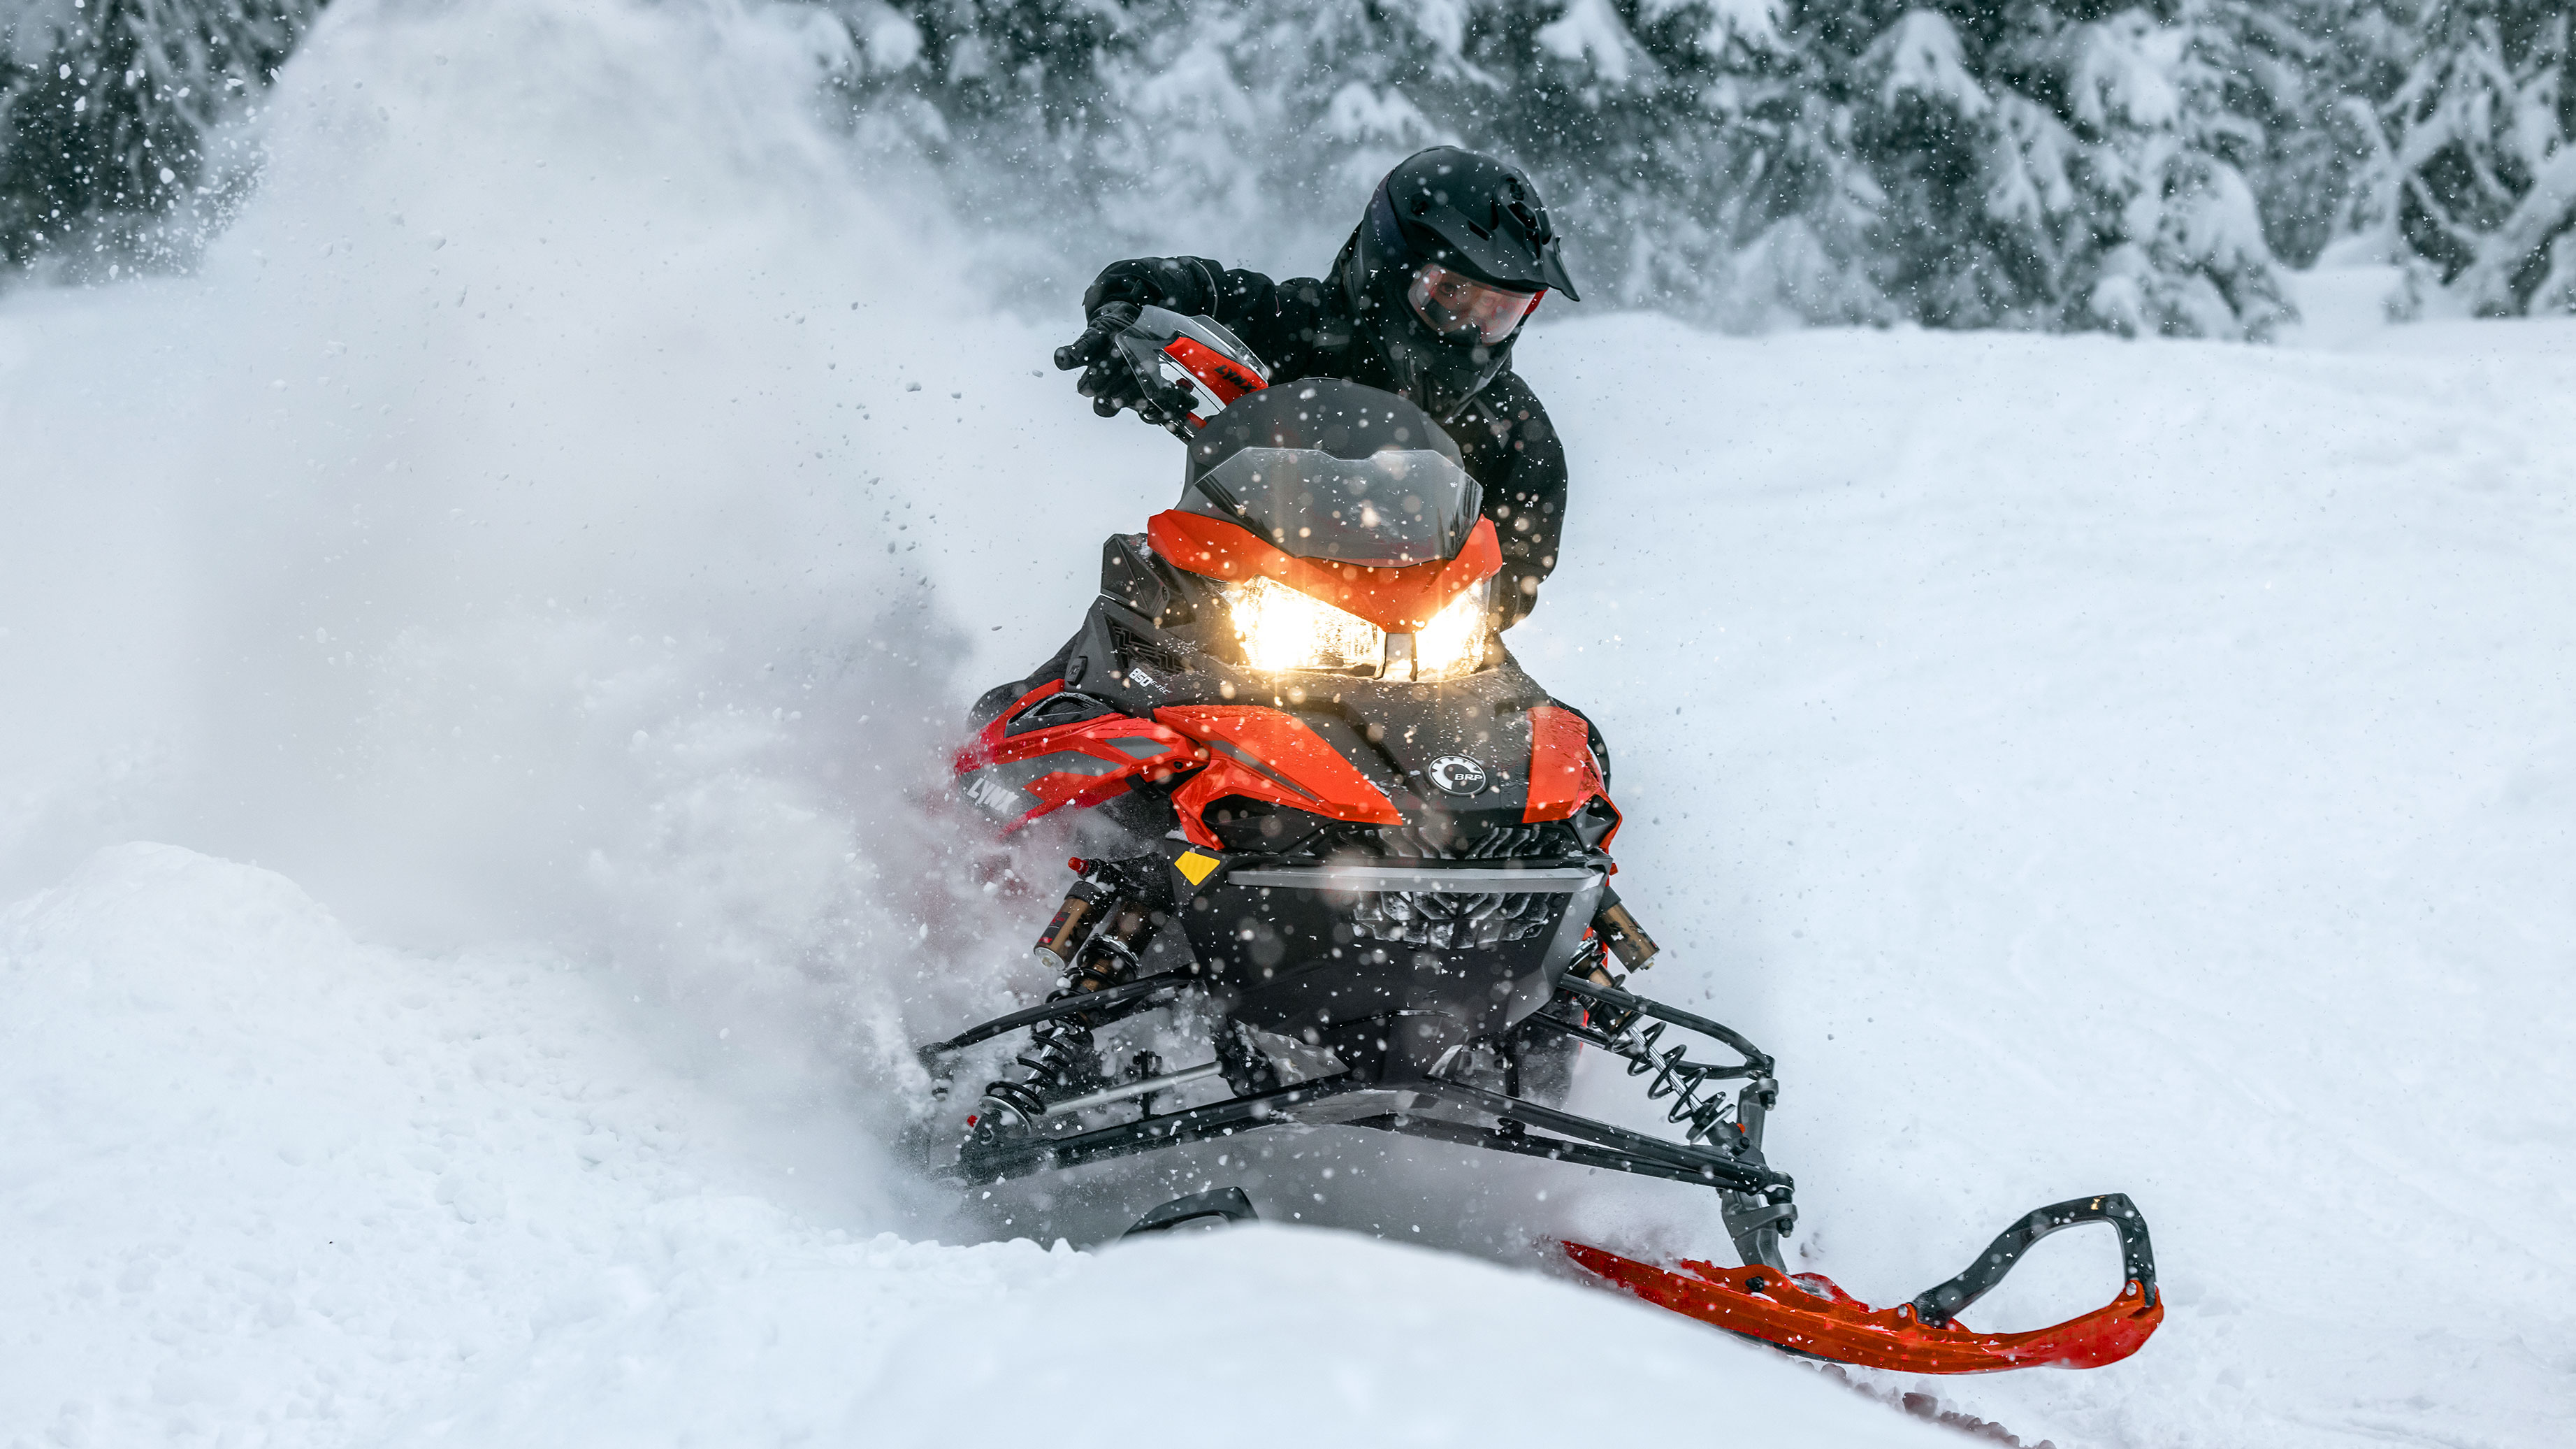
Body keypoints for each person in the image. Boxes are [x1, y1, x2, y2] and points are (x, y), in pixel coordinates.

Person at [1052, 147, 1579, 628]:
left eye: (1498, 312)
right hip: (1238, 610)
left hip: (1419, 651)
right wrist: (1128, 320)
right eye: (1452, 294)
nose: (1471, 326)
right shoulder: (1296, 325)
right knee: (1087, 690)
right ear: (1388, 265)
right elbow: (1196, 290)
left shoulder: (1516, 429)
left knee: (1558, 733)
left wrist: (1462, 610)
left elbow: (1520, 569)